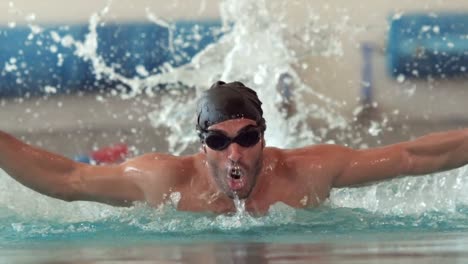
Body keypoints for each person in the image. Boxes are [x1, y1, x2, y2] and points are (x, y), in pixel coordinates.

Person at [0, 81, 467, 214]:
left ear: (264, 135)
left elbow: (410, 156)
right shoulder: (166, 180)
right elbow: (67, 180)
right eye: (219, 141)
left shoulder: (307, 172)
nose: (235, 154)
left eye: (247, 137)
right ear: (201, 145)